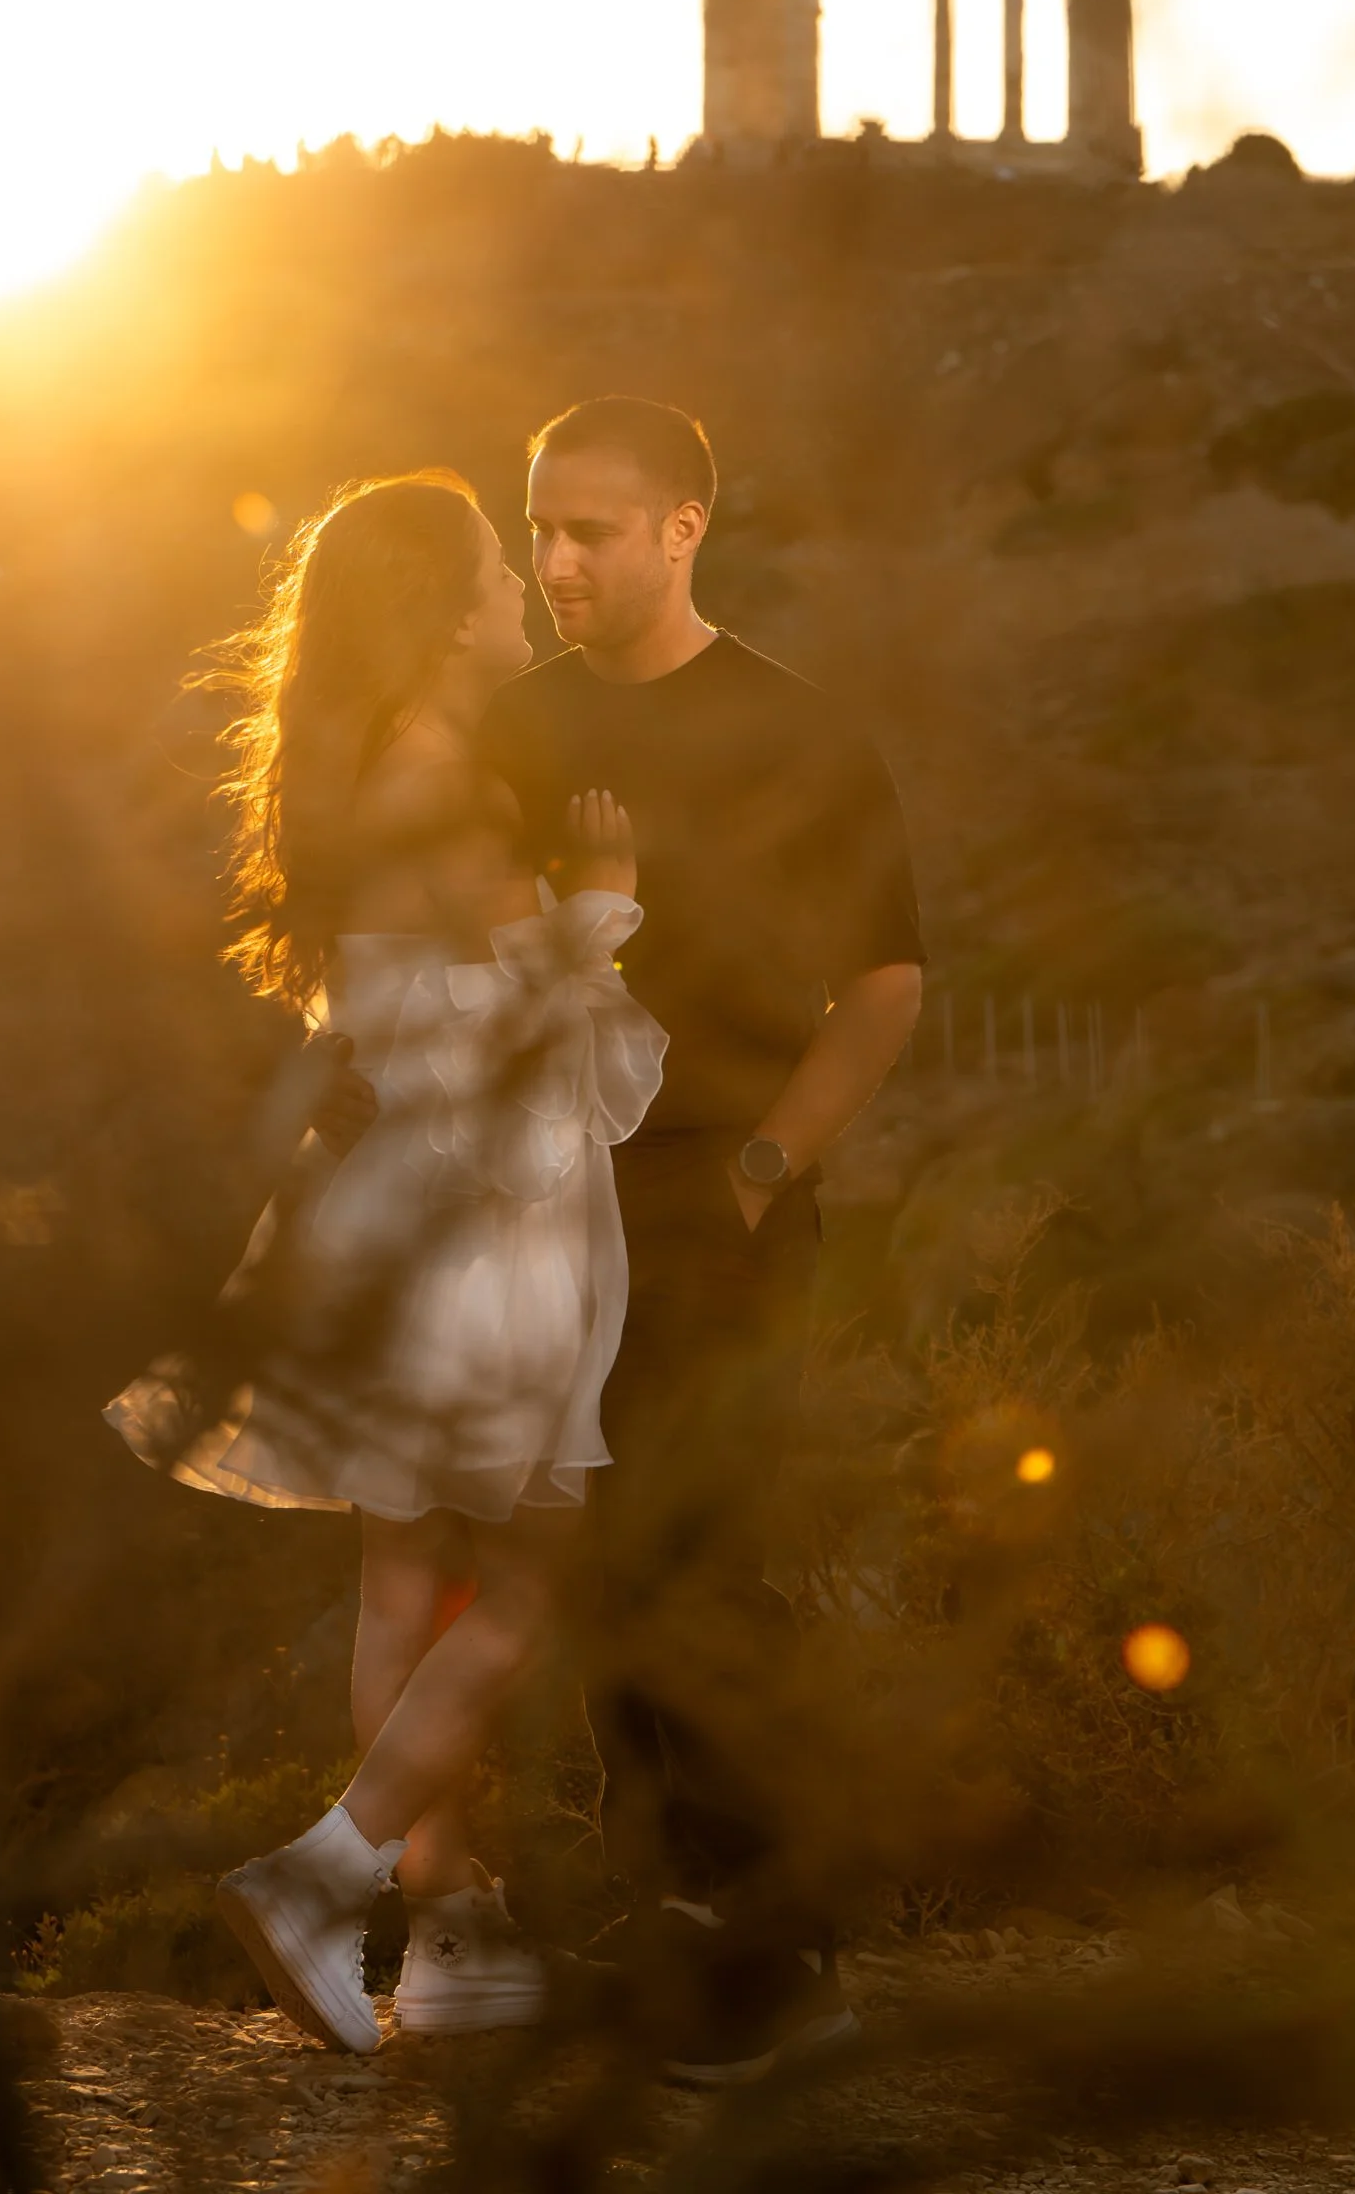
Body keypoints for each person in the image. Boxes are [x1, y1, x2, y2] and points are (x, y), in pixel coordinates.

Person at [315, 400, 926, 2084]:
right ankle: (667, 1923)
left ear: (684, 527)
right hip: (530, 1211)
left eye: (593, 529)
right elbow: (425, 936)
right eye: (540, 529)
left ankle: (776, 1961)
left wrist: (761, 1170)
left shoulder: (800, 731)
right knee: (589, 1575)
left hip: (718, 1206)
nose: (559, 560)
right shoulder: (505, 726)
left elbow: (884, 987)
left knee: (704, 1560)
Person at [105, 471, 667, 2055]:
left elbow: (390, 1011)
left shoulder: (351, 766)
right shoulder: (449, 781)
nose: (518, 587)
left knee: (407, 1579)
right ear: (438, 607)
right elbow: (518, 1032)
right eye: (494, 565)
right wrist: (604, 910)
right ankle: (326, 1873)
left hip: (380, 1207)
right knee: (536, 1574)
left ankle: (455, 1942)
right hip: (476, 1218)